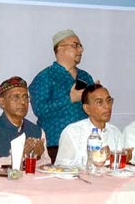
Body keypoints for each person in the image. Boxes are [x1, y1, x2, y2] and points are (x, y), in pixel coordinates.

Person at [29, 29, 95, 161]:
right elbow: (40, 109)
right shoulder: (45, 77)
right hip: (56, 145)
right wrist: (70, 99)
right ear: (60, 48)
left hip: (84, 145)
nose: (80, 50)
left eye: (80, 46)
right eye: (75, 45)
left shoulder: (85, 76)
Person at [0, 76, 51, 167]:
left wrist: (37, 157)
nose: (23, 102)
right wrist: (20, 155)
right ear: (2, 102)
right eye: (16, 97)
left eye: (25, 97)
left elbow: (47, 167)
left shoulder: (37, 132)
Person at [55, 84, 124, 167]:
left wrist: (125, 157)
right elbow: (60, 167)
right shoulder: (72, 132)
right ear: (87, 109)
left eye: (109, 100)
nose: (107, 106)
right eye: (99, 102)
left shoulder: (115, 132)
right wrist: (93, 159)